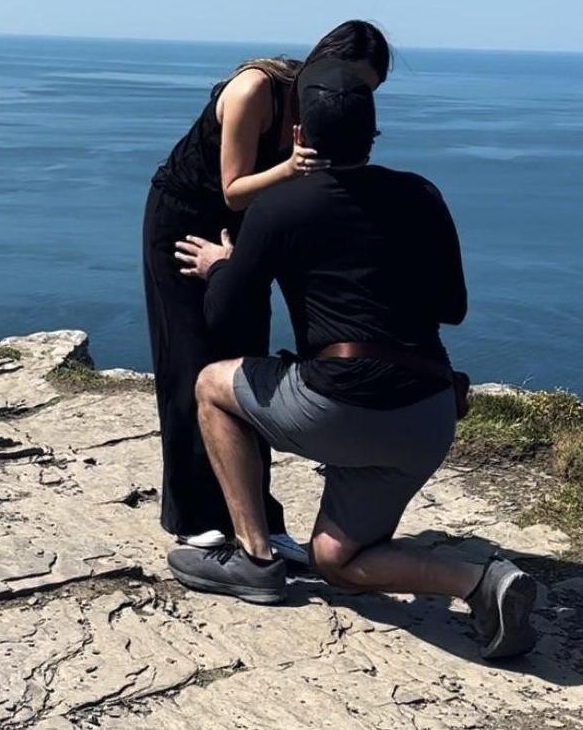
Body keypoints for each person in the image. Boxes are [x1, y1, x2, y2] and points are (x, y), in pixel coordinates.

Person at [168, 59, 537, 660]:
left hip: (338, 407)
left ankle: (255, 558)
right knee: (336, 561)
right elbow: (454, 307)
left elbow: (223, 316)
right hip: (427, 414)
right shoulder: (421, 194)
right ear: (373, 134)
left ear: (298, 136)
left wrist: (223, 265)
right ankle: (483, 583)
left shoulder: (281, 207)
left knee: (212, 386)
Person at [143, 20, 392, 560]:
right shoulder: (257, 89)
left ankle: (258, 515)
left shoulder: (327, 113)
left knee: (246, 364)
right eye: (353, 81)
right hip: (187, 226)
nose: (356, 98)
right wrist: (292, 167)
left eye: (368, 91)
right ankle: (194, 516)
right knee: (189, 361)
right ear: (322, 62)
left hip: (249, 234)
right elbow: (232, 190)